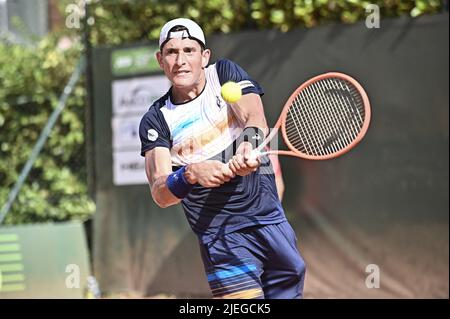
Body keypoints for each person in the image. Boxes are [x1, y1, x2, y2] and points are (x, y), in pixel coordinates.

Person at [139, 18, 305, 299]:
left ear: (204, 56)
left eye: (189, 50)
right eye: (171, 52)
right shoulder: (156, 120)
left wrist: (248, 148)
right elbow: (160, 192)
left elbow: (255, 118)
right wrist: (190, 174)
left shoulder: (225, 74)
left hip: (270, 220)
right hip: (221, 235)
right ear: (160, 60)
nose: (180, 60)